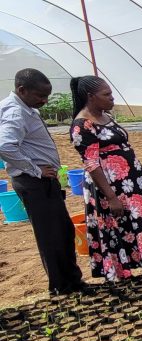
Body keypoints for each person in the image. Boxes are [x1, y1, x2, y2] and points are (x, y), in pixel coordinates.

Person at [69, 75, 142, 281]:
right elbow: (91, 164)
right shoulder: (82, 124)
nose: (112, 98)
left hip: (131, 182)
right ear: (91, 96)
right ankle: (120, 272)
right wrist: (111, 196)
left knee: (141, 221)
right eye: (106, 95)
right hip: (110, 186)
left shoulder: (105, 116)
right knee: (116, 225)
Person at [0, 69, 86, 295]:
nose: (45, 101)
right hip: (34, 183)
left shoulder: (24, 107)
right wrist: (36, 170)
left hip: (39, 181)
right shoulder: (15, 112)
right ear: (22, 90)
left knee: (62, 231)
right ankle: (63, 286)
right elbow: (5, 146)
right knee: (52, 235)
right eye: (40, 96)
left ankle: (71, 281)